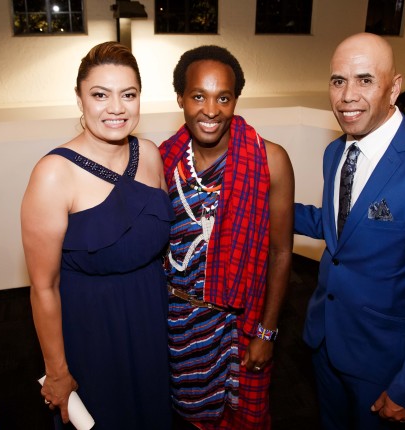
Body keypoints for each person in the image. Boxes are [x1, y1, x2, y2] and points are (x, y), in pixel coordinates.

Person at [294, 33, 405, 429]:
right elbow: (339, 227)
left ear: (394, 88)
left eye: (365, 80)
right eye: (338, 81)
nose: (347, 96)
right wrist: (267, 208)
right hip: (324, 342)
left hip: (383, 364)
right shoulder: (335, 152)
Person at [21, 41, 174, 429]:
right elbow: (43, 287)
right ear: (80, 99)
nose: (116, 108)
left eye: (128, 95)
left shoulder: (151, 154)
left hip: (150, 316)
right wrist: (57, 371)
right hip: (93, 328)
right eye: (100, 95)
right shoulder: (54, 173)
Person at [160, 45, 294, 429]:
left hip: (241, 323)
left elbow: (281, 253)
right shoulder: (164, 161)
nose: (211, 110)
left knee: (244, 419)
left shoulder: (269, 160)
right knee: (189, 416)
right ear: (180, 98)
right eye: (198, 96)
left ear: (235, 100)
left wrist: (266, 333)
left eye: (223, 98)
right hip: (180, 322)